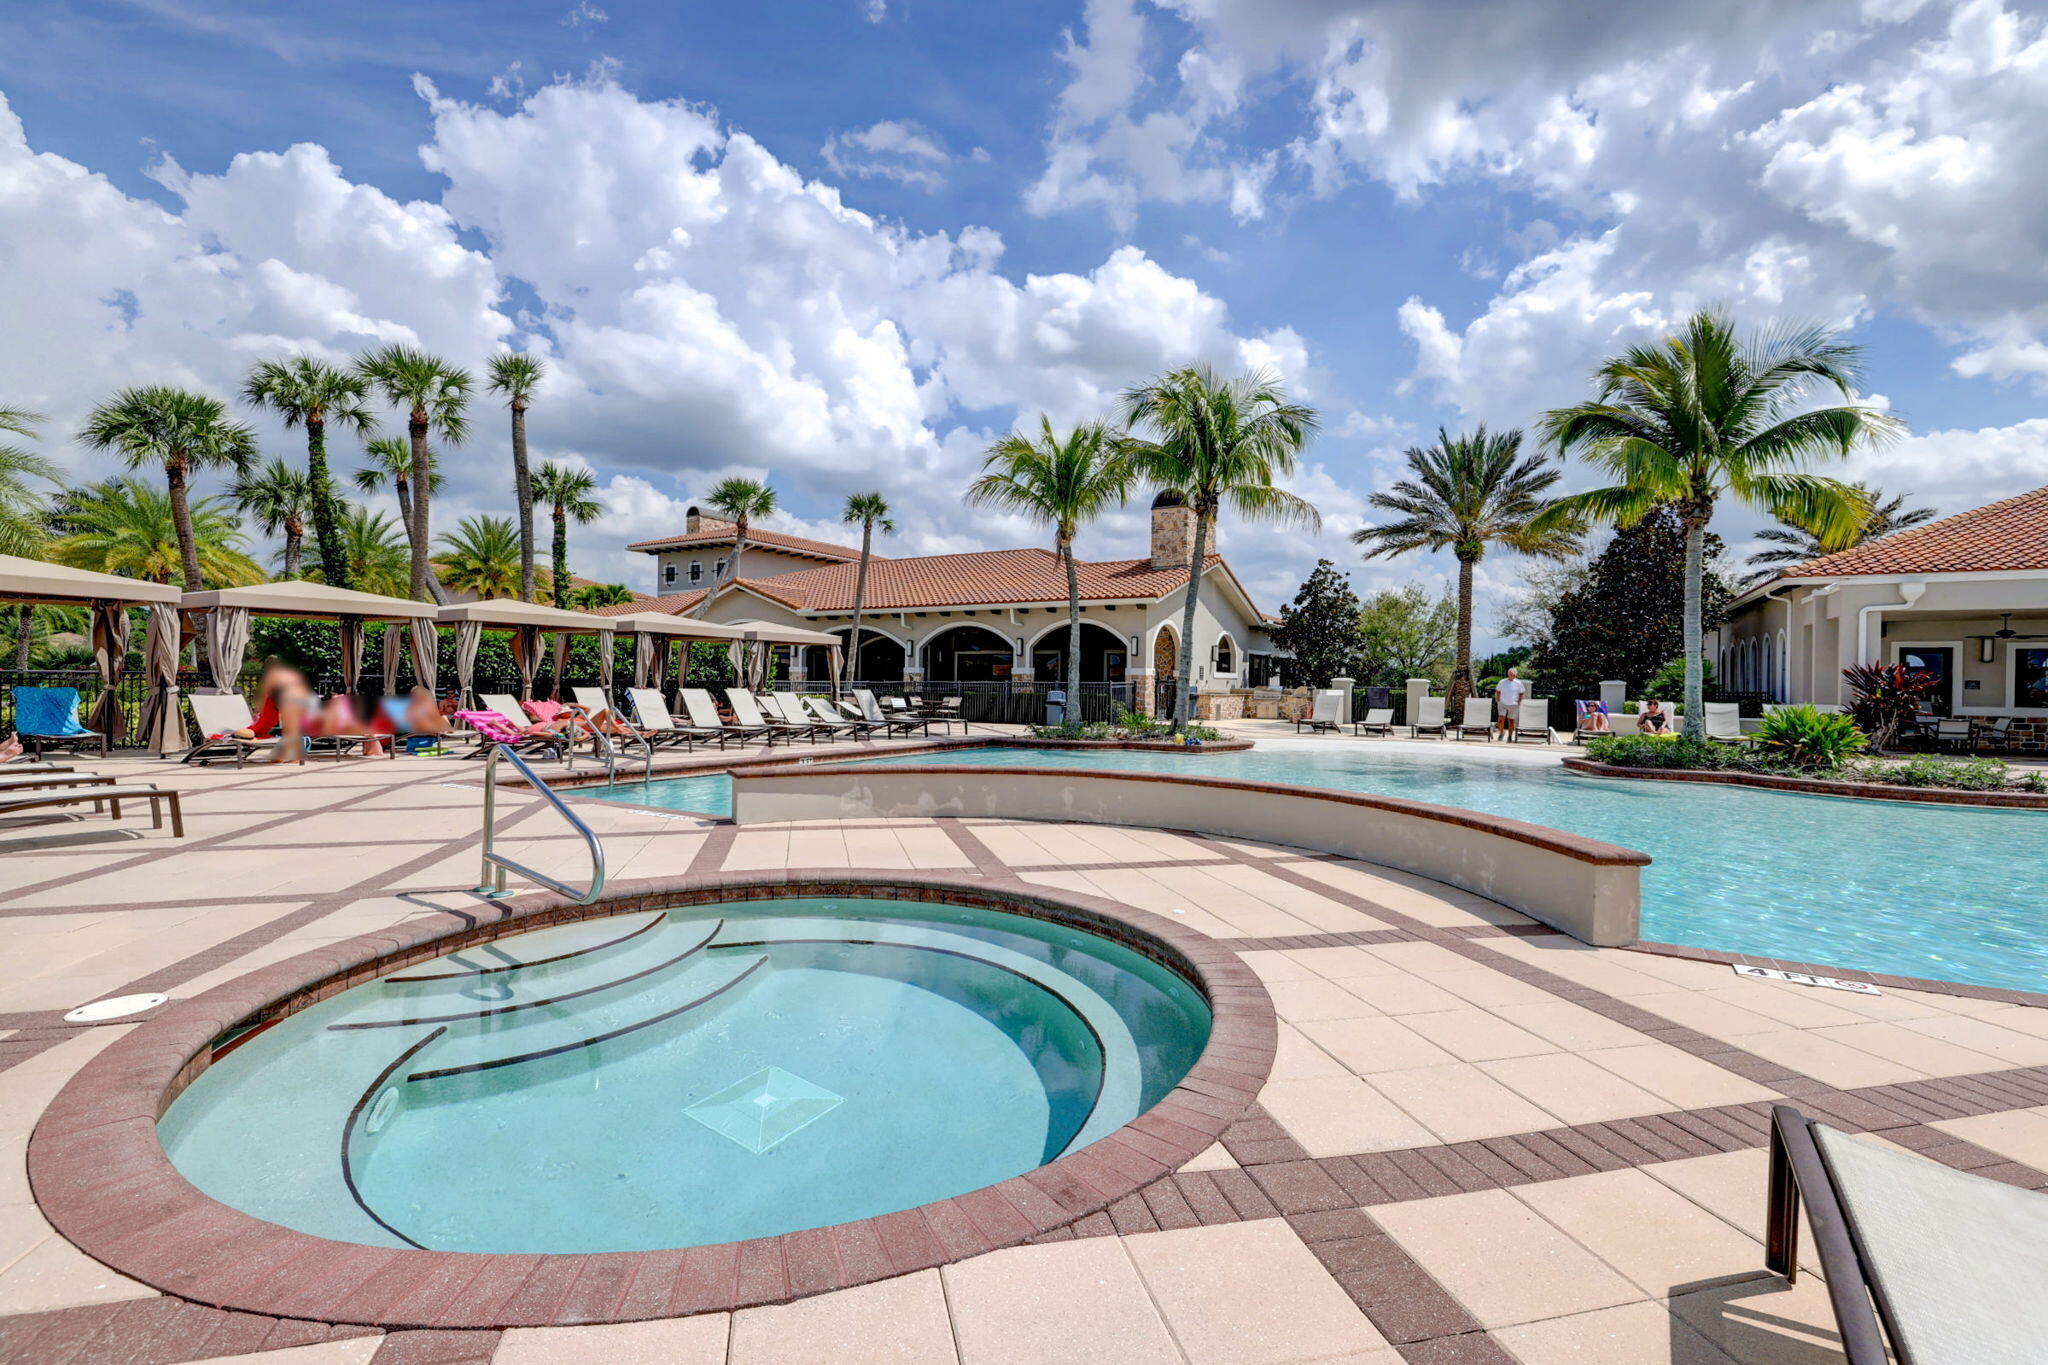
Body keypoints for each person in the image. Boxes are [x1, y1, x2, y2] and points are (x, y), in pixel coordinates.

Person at [1494, 667, 1527, 737]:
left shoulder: (1518, 683)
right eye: (1511, 674)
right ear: (1508, 674)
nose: (1513, 676)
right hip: (1502, 703)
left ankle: (1510, 736)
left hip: (1514, 704)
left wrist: (1519, 702)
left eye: (1514, 675)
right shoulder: (1502, 682)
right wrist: (1498, 700)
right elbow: (1497, 691)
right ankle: (1502, 732)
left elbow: (1522, 693)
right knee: (1500, 719)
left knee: (1511, 721)